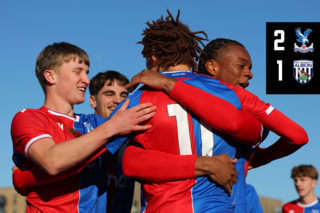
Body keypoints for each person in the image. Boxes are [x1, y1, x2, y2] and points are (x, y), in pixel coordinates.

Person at [10, 42, 156, 213]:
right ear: (50, 76)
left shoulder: (94, 123)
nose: (86, 80)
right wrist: (111, 127)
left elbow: (139, 155)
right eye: (78, 71)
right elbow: (52, 161)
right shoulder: (28, 117)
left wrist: (164, 82)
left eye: (86, 72)